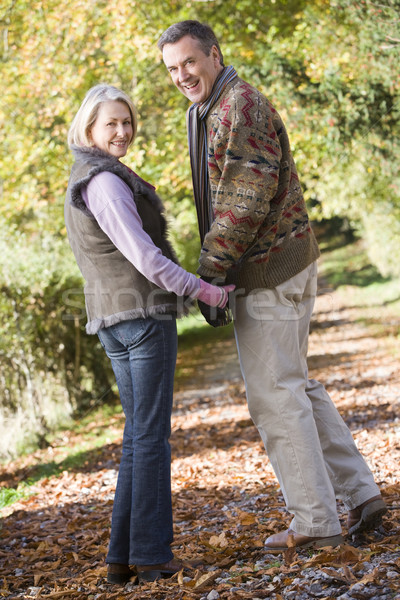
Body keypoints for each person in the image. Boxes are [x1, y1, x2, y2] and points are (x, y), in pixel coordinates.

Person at [157, 21, 387, 553]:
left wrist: (210, 274)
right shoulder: (216, 107)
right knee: (295, 384)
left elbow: (243, 199)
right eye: (172, 68)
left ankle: (315, 523)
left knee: (275, 397)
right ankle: (360, 493)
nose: (182, 75)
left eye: (189, 62)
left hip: (269, 270)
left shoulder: (239, 107)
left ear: (213, 54)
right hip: (278, 263)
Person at [64, 83, 234, 583]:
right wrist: (208, 292)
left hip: (116, 320)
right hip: (141, 319)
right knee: (151, 439)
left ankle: (122, 560)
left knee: (138, 439)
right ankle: (154, 556)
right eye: (111, 123)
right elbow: (147, 259)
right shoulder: (105, 182)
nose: (122, 131)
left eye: (127, 121)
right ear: (89, 128)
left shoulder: (88, 176)